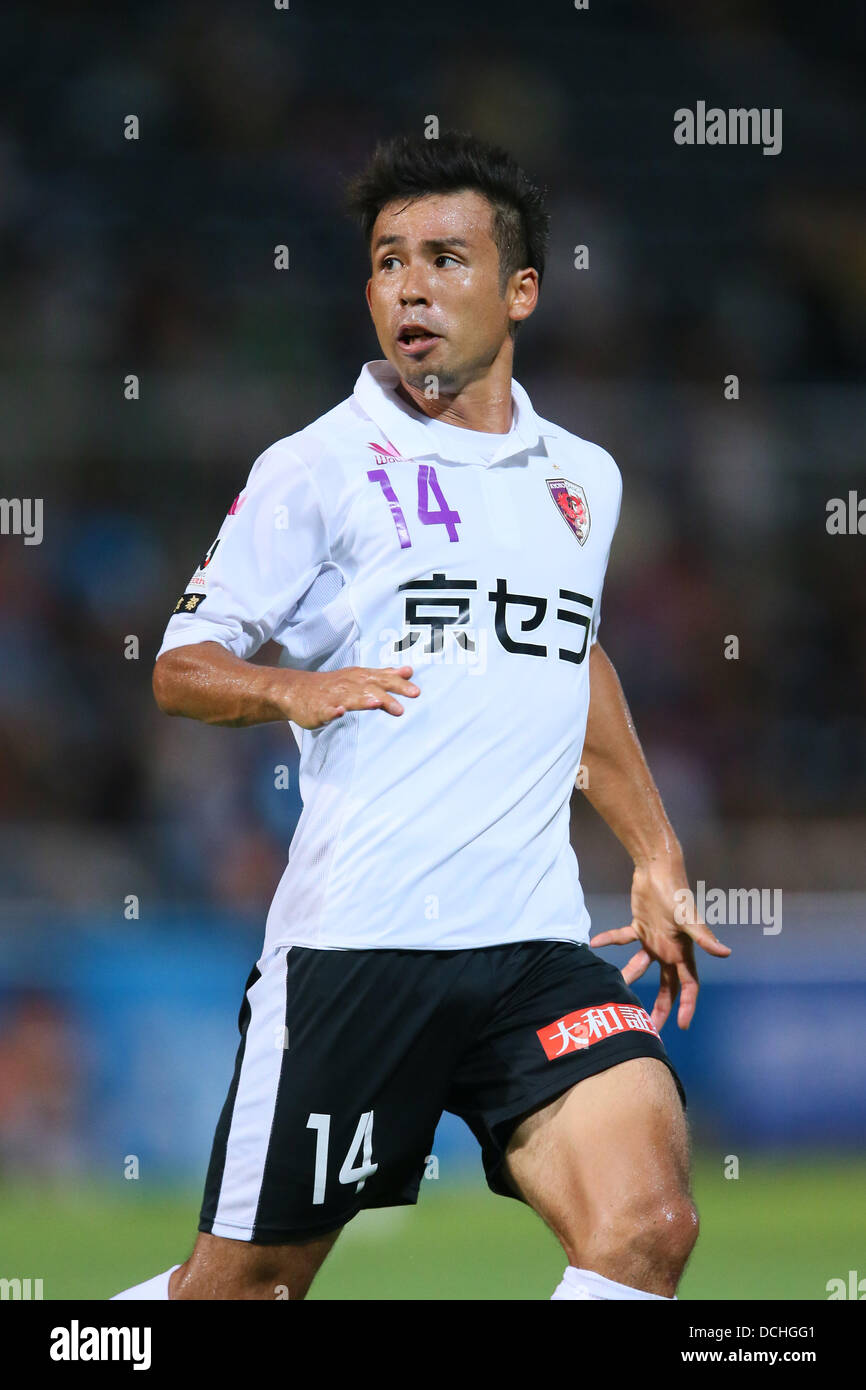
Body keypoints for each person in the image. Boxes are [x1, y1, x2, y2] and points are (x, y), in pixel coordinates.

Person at [112, 130, 729, 1302]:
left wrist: (653, 853)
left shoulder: (581, 478)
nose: (409, 283)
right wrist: (292, 688)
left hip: (535, 947)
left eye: (446, 257)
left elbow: (571, 658)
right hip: (361, 949)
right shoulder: (319, 466)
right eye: (389, 259)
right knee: (248, 1287)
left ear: (520, 291)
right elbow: (181, 666)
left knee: (647, 1224)